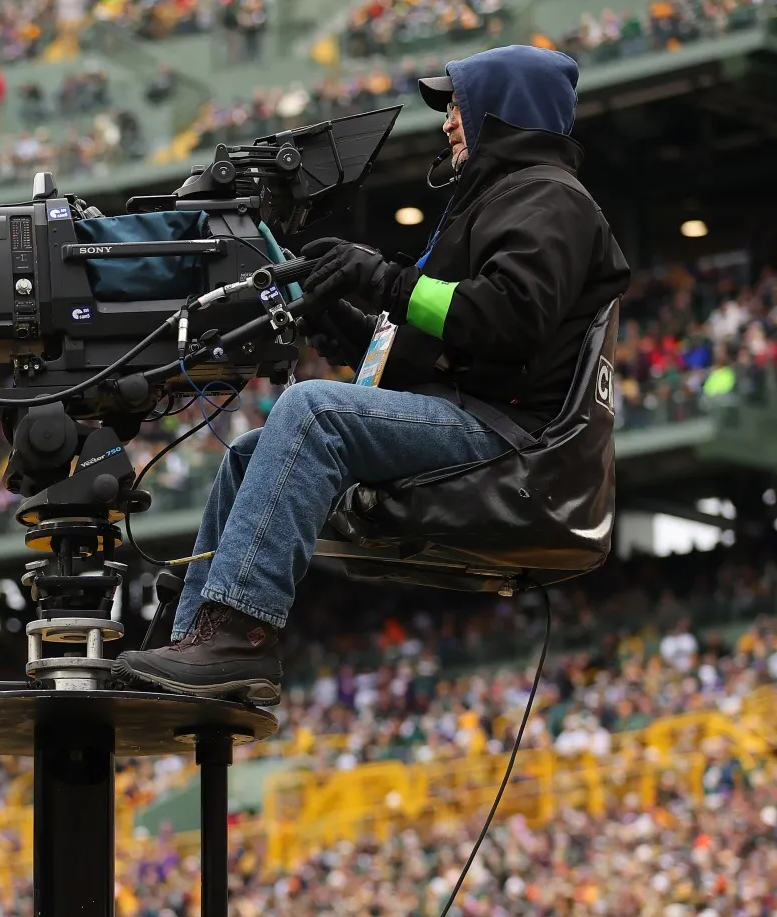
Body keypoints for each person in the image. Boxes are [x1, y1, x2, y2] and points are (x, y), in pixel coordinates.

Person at [115, 45, 631, 704]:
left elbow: (507, 318)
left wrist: (381, 278)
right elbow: (433, 350)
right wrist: (338, 318)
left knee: (310, 414)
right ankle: (193, 643)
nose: (447, 121)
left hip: (510, 439)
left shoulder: (548, 197)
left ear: (503, 111)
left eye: (458, 106)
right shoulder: (499, 199)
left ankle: (240, 637)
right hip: (469, 413)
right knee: (251, 453)